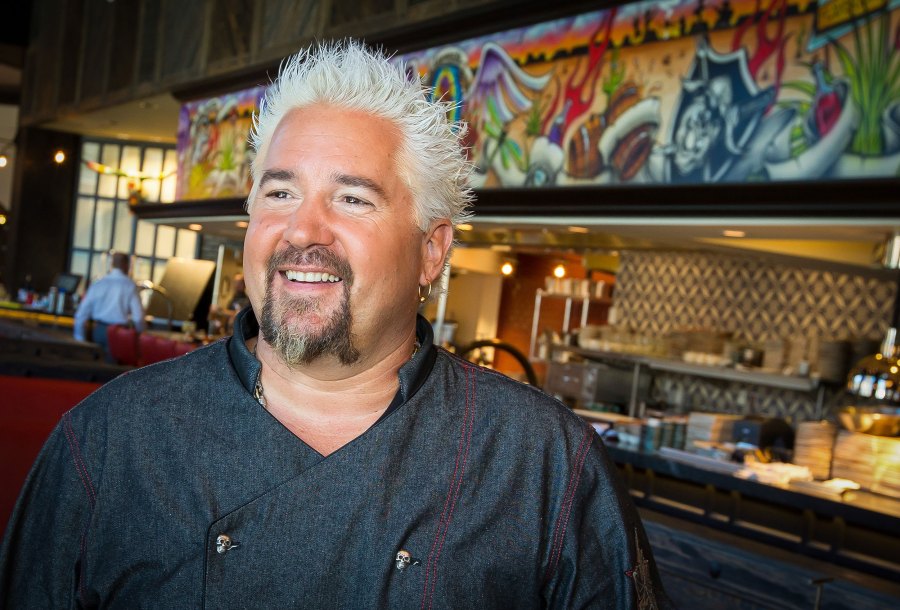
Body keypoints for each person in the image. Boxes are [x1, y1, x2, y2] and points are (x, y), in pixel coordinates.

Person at [0, 40, 671, 608]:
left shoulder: (544, 467)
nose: (302, 230)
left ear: (431, 251)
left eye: (351, 198)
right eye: (281, 192)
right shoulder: (111, 440)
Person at [71, 251, 145, 361]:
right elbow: (138, 317)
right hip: (119, 333)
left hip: (99, 330)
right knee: (113, 369)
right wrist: (139, 335)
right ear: (127, 265)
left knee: (96, 364)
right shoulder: (129, 285)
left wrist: (80, 339)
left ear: (112, 264)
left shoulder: (98, 284)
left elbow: (81, 314)